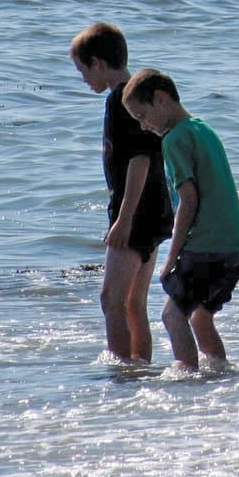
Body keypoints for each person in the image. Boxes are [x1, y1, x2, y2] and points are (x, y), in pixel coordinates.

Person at [121, 68, 239, 371]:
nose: (143, 126)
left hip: (206, 247)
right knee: (200, 315)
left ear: (161, 99)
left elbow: (188, 201)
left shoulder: (174, 139)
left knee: (171, 315)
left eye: (142, 116)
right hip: (235, 246)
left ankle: (188, 382)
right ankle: (220, 372)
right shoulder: (203, 129)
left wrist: (172, 256)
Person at [70, 22, 174, 363]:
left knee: (111, 299)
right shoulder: (136, 95)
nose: (84, 79)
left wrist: (124, 219)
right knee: (133, 302)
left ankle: (122, 370)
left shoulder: (121, 101)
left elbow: (140, 160)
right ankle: (139, 369)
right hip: (156, 208)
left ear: (98, 63)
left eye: (83, 71)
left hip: (136, 212)